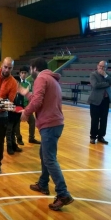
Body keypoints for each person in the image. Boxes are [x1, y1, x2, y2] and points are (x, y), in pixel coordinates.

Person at [20, 57, 74, 211]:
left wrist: (26, 112)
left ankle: (63, 194)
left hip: (49, 124)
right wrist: (27, 94)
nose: (30, 72)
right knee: (44, 154)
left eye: (30, 69)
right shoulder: (51, 79)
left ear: (34, 68)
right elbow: (40, 99)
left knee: (49, 159)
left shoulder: (41, 78)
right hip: (55, 123)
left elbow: (37, 102)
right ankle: (43, 184)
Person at [87, 60, 111, 145]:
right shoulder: (93, 74)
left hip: (105, 101)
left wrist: (105, 76)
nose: (101, 68)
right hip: (95, 101)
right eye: (100, 66)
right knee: (95, 120)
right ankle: (93, 137)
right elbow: (95, 85)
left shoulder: (108, 75)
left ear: (106, 68)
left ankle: (101, 136)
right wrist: (107, 84)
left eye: (103, 67)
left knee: (104, 120)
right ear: (97, 66)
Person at [14, 66, 41, 145]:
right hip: (18, 106)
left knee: (32, 121)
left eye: (25, 73)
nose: (23, 74)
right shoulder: (17, 82)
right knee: (17, 123)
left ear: (27, 74)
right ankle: (19, 138)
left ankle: (31, 138)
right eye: (22, 73)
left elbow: (31, 96)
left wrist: (29, 106)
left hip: (26, 106)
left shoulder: (29, 83)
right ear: (20, 73)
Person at [6, 80, 24, 155]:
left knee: (14, 132)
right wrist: (14, 109)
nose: (16, 85)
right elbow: (7, 105)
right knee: (9, 132)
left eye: (17, 83)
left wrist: (21, 111)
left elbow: (21, 106)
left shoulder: (20, 95)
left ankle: (14, 146)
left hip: (17, 117)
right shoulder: (8, 94)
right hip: (9, 117)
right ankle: (9, 147)